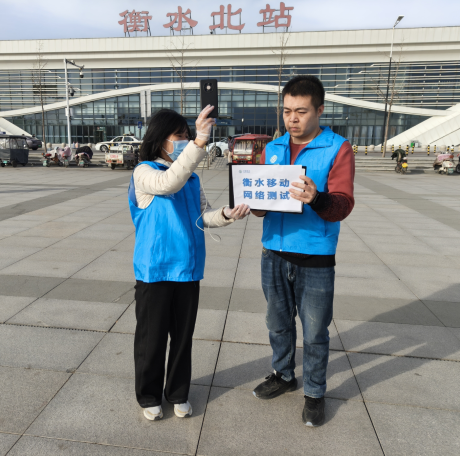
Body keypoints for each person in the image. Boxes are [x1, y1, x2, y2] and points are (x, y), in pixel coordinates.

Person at [129, 106, 250, 422]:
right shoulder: (144, 172)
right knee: (152, 338)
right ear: (160, 139)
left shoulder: (192, 178)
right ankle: (149, 395)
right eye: (179, 135)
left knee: (182, 338)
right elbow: (168, 183)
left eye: (187, 135)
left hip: (187, 269)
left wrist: (225, 215)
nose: (184, 140)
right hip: (155, 270)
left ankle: (178, 393)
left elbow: (202, 216)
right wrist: (198, 143)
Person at [251, 76, 355, 427]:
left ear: (319, 110)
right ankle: (283, 374)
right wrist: (252, 203)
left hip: (315, 257)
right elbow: (262, 202)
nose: (292, 119)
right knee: (277, 324)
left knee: (315, 332)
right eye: (286, 111)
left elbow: (342, 205)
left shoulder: (337, 148)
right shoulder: (273, 148)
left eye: (301, 111)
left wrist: (317, 198)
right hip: (273, 252)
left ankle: (314, 392)